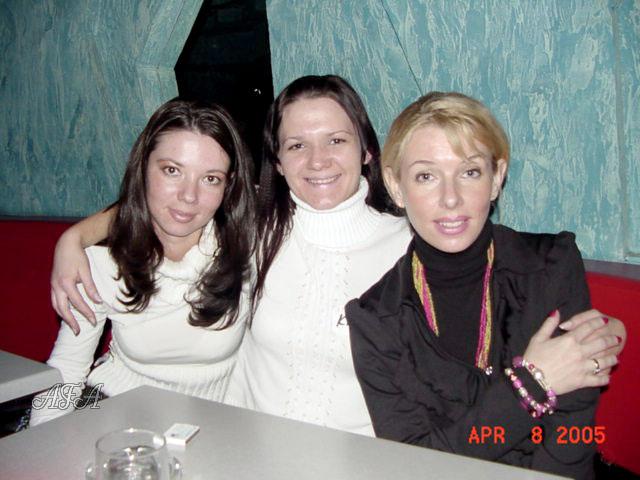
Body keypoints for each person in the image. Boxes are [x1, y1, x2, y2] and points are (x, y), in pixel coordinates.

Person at [48, 77, 626, 438]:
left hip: (366, 458)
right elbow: (173, 206)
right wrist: (73, 240)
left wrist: (580, 336)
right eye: (297, 144)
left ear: (369, 151)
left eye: (337, 140)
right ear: (277, 162)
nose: (318, 160)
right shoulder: (253, 232)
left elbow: (492, 258)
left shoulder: (413, 243)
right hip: (242, 449)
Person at [345, 91, 621, 478]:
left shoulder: (550, 265)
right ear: (395, 186)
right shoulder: (377, 319)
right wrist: (531, 385)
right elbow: (417, 462)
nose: (451, 199)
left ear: (496, 178)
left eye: (470, 172)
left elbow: (574, 429)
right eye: (426, 176)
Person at [29, 99, 256, 425]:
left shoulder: (250, 248)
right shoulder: (100, 259)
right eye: (172, 170)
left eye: (210, 179)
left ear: (228, 185)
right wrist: (41, 443)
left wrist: (72, 236)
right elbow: (67, 369)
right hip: (113, 408)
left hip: (217, 424)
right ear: (143, 169)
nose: (188, 196)